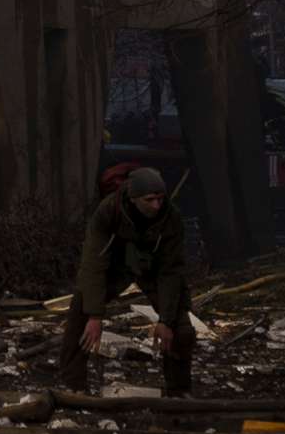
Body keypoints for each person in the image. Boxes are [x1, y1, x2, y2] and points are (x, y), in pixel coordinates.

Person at [62, 164, 193, 395]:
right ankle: (74, 386)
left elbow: (171, 271)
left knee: (181, 328)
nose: (156, 205)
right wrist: (95, 314)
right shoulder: (108, 211)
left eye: (160, 199)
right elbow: (93, 264)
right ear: (133, 199)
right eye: (150, 200)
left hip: (153, 269)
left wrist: (166, 320)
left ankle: (179, 390)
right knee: (79, 313)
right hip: (117, 265)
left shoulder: (171, 218)